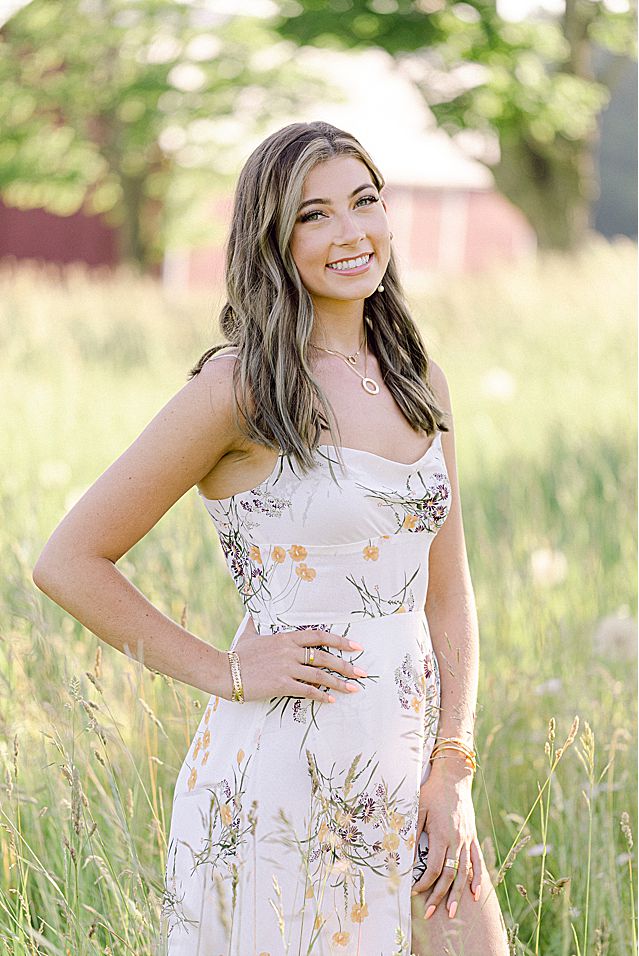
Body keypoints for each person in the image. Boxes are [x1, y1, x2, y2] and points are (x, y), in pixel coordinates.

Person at [32, 120, 510, 954]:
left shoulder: (419, 380)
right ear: (273, 240)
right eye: (313, 215)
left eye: (364, 203)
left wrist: (452, 768)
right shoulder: (240, 386)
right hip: (283, 770)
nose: (351, 233)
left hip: (412, 767)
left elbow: (447, 591)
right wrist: (223, 670)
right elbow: (68, 561)